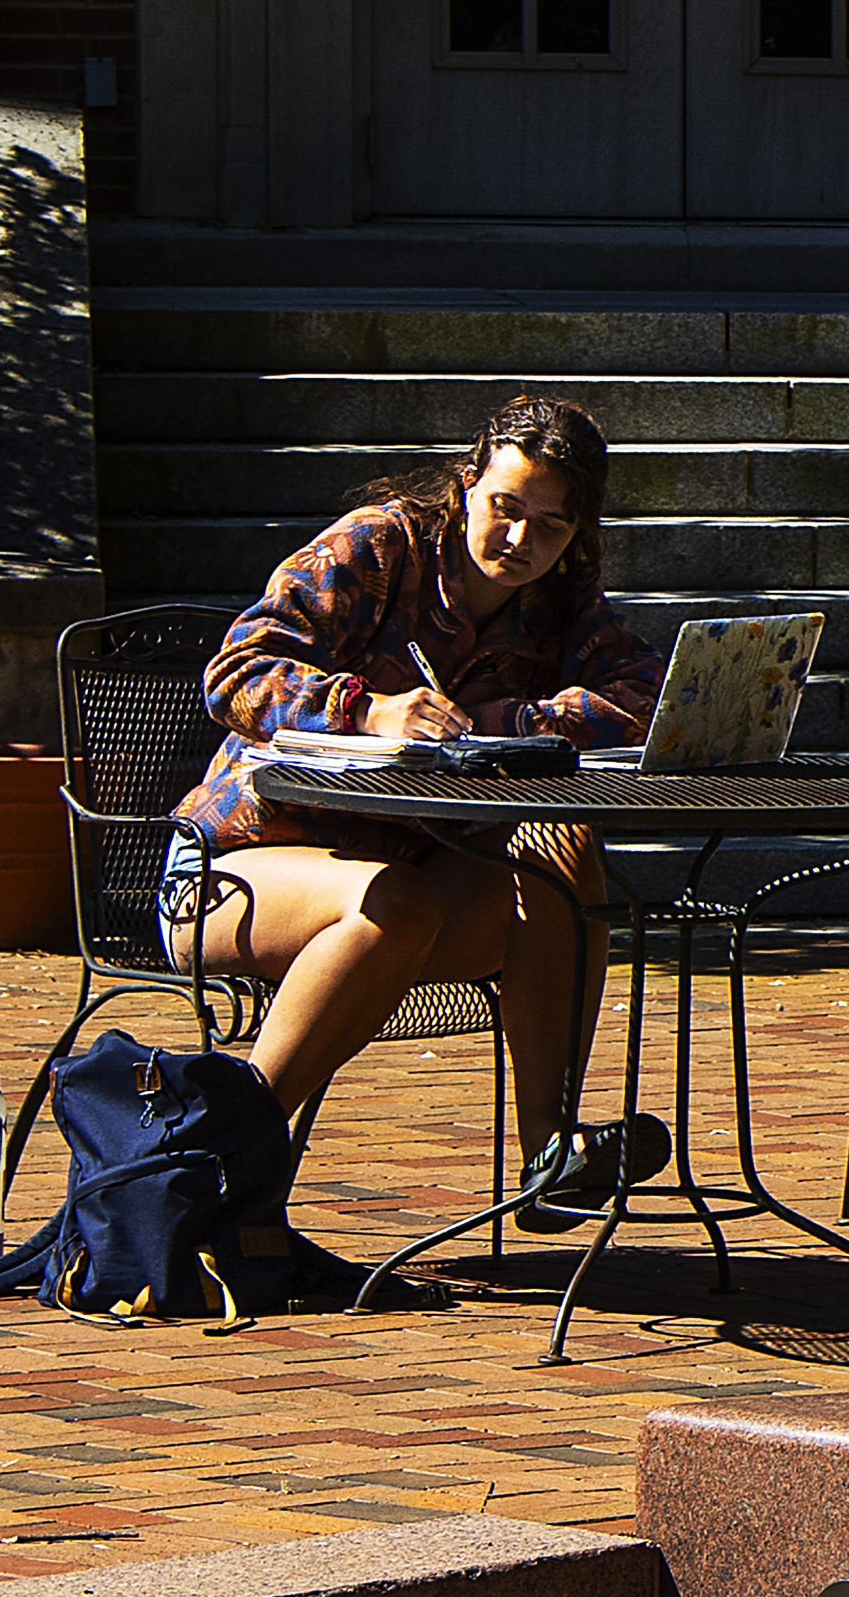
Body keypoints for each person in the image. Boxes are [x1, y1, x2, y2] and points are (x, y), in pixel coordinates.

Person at [172, 392, 661, 1204]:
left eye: (550, 526)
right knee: (394, 904)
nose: (520, 539)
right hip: (236, 872)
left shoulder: (558, 599)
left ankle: (551, 1154)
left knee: (560, 846)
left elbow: (641, 689)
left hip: (418, 874)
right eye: (506, 509)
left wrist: (514, 722)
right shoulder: (378, 547)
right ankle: (215, 1169)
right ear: (467, 482)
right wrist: (364, 708)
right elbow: (236, 673)